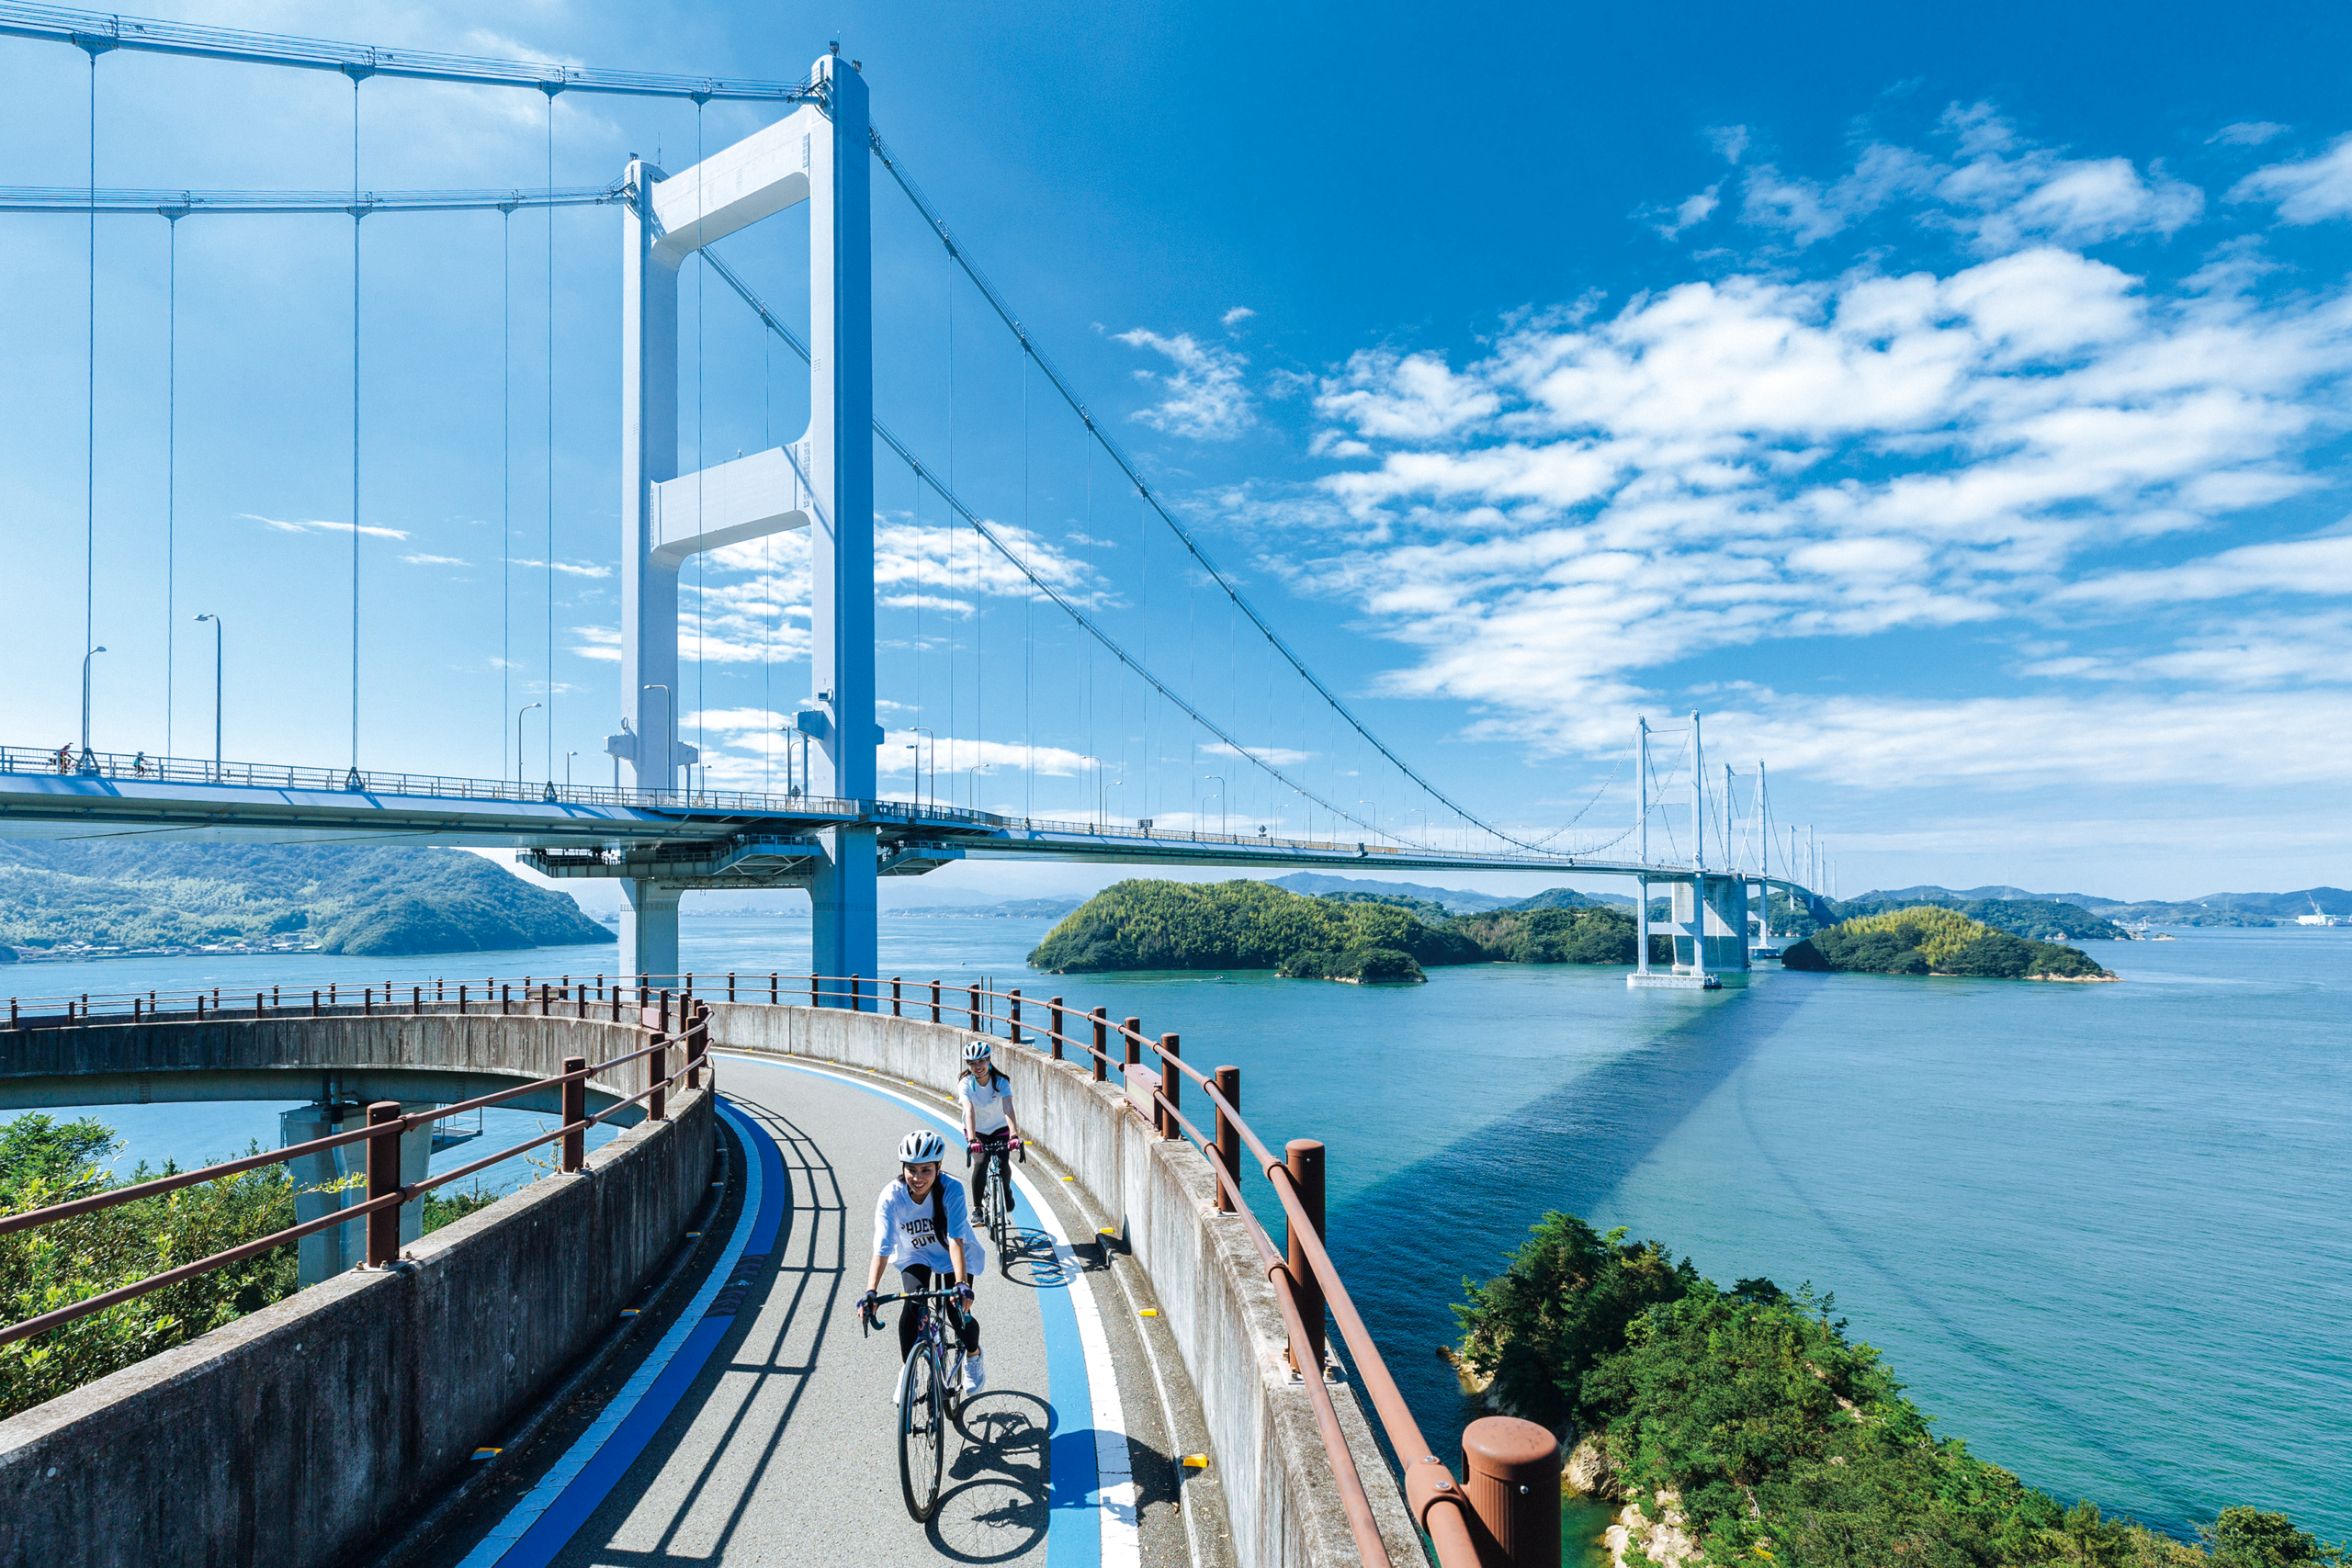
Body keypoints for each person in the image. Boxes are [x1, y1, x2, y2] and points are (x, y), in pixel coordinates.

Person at [858, 1128, 989, 1394]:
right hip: (915, 1255)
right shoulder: (891, 1196)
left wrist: (961, 1284)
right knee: (913, 1303)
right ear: (903, 1167)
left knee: (956, 1310)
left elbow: (955, 1239)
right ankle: (908, 1371)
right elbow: (882, 1248)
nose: (918, 1178)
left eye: (926, 1170)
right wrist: (871, 1291)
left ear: (938, 1167)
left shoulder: (951, 1189)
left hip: (951, 1254)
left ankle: (973, 1355)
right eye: (911, 1170)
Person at [956, 1039, 1023, 1222]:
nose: (978, 1066)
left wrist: (1013, 1134)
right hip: (976, 1131)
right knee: (981, 1162)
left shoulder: (1000, 1082)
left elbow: (1008, 1107)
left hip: (999, 1127)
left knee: (1002, 1162)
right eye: (972, 1063)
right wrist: (972, 1139)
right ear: (968, 1066)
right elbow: (968, 1111)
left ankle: (1006, 1191)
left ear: (989, 1060)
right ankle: (977, 1208)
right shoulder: (966, 1084)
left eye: (981, 1061)